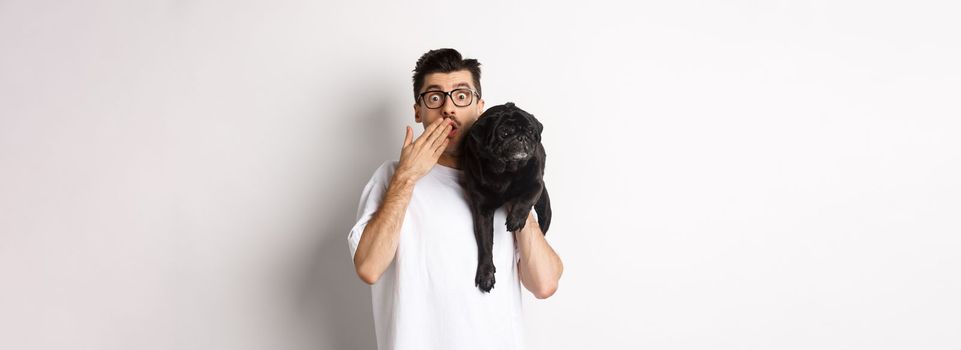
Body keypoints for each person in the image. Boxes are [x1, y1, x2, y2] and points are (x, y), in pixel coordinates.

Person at [347, 48, 563, 350]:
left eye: (461, 96)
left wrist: (518, 192)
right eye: (435, 97)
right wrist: (407, 178)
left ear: (479, 107)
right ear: (418, 111)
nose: (449, 108)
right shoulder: (391, 177)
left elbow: (544, 284)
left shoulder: (508, 178)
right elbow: (369, 267)